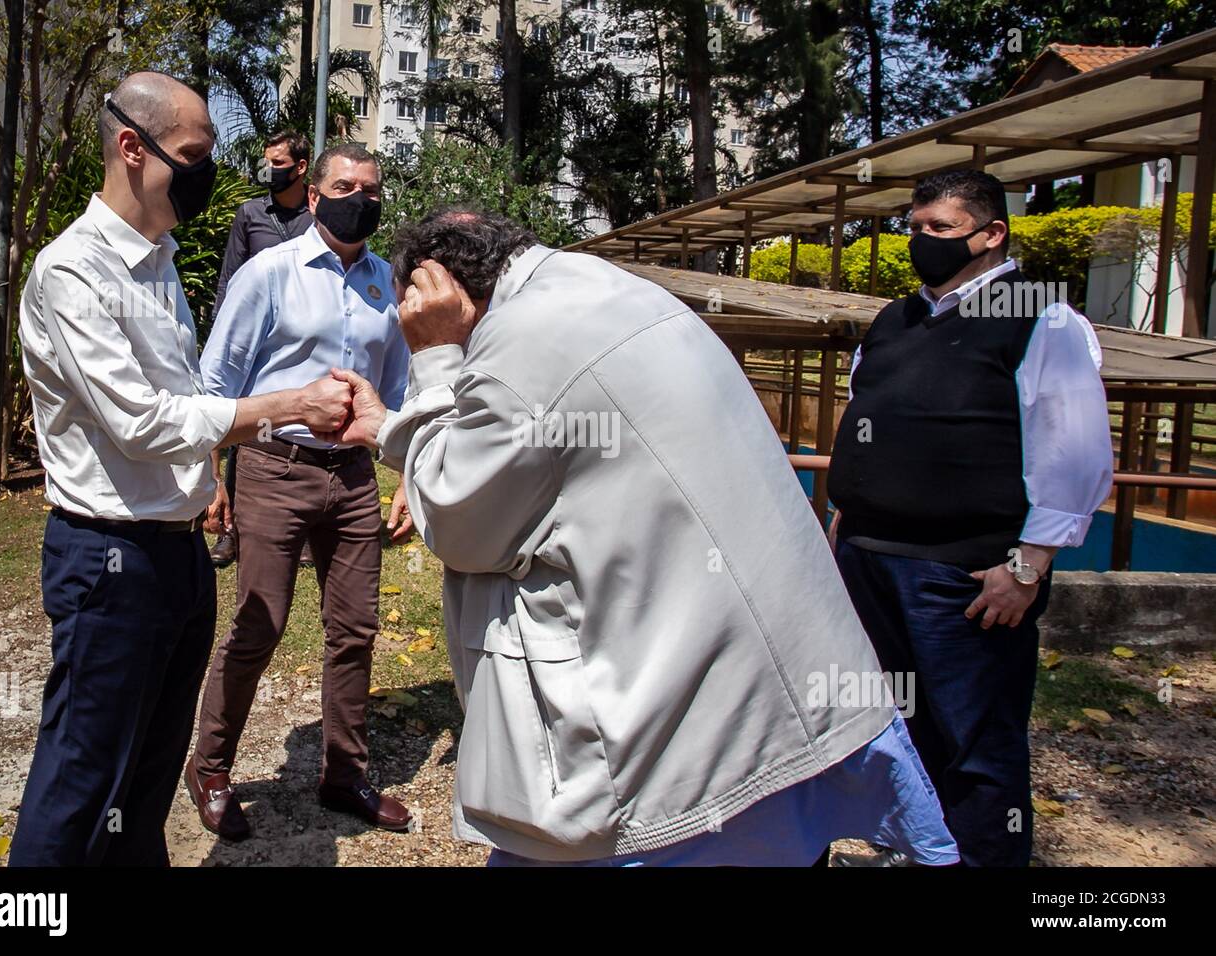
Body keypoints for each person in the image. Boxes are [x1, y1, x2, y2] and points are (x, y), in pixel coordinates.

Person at [314, 206, 961, 866]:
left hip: (679, 762)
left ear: (437, 288)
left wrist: (437, 357)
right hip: (767, 704)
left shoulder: (523, 343)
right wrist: (390, 427)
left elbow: (461, 520)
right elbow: (515, 454)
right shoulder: (603, 288)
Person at [11, 72, 354, 866]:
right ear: (132, 146)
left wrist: (207, 491)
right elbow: (142, 423)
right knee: (79, 781)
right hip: (108, 563)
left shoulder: (158, 256)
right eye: (194, 155)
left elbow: (184, 393)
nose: (207, 173)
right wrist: (284, 405)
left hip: (174, 555)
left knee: (147, 782)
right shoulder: (73, 272)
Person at [826, 169, 1114, 866]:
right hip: (870, 558)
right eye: (915, 227)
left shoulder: (1038, 316)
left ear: (990, 234)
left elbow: (1072, 446)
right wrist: (842, 525)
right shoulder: (896, 319)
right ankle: (923, 851)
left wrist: (1029, 563)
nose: (922, 241)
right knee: (895, 725)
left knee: (977, 739)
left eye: (941, 228)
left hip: (964, 573)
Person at [183, 143, 412, 841]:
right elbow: (216, 385)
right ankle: (211, 766)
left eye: (372, 189)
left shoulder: (385, 284)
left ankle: (343, 773)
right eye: (345, 186)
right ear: (313, 197)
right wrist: (208, 479)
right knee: (261, 621)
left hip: (351, 476)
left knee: (355, 630)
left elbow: (400, 389)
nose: (361, 199)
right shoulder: (268, 273)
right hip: (274, 467)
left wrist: (406, 475)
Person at [207, 129, 316, 569]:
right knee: (244, 432)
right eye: (268, 162)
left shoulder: (317, 216)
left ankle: (305, 531)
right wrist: (221, 332)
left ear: (301, 167)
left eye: (278, 163)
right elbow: (229, 277)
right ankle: (233, 531)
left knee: (302, 428)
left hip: (303, 341)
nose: (269, 170)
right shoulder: (249, 214)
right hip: (254, 342)